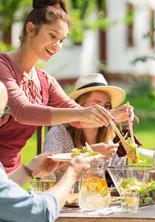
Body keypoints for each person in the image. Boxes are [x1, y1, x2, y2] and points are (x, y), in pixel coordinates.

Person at [0, 0, 130, 173]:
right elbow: (23, 111)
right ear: (30, 29)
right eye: (53, 35)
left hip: (11, 173)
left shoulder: (46, 81)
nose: (57, 45)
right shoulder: (3, 66)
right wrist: (82, 113)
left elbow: (78, 119)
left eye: (61, 40)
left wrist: (111, 116)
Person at [0, 80, 98, 222]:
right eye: (3, 114)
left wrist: (29, 170)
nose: (4, 120)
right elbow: (38, 212)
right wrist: (72, 174)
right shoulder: (61, 131)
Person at [43, 73, 137, 179]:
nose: (103, 111)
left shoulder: (114, 135)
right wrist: (89, 153)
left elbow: (121, 178)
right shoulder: (59, 131)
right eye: (96, 106)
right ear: (79, 107)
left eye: (106, 106)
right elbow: (48, 168)